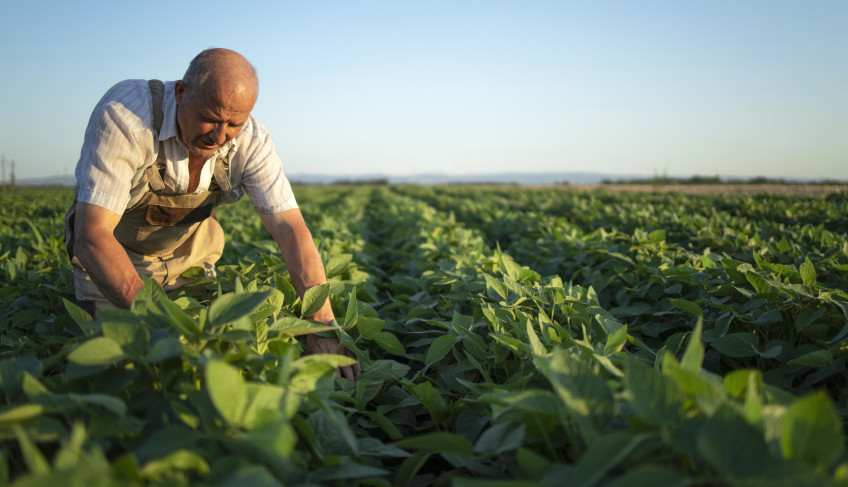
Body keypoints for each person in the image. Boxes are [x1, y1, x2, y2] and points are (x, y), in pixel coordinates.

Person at [64, 48, 360, 380]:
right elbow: (92, 238)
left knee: (214, 365)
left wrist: (320, 326)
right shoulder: (126, 117)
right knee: (122, 369)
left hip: (189, 257)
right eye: (210, 117)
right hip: (113, 259)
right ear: (180, 93)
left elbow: (291, 230)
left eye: (234, 123)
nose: (219, 136)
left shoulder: (252, 141)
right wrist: (166, 325)